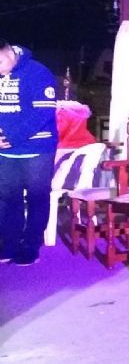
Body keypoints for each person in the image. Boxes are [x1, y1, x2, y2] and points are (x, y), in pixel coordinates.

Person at [0, 39, 58, 265]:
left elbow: (42, 113)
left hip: (37, 149)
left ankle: (31, 245)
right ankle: (10, 243)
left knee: (36, 197)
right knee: (7, 198)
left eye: (1, 62)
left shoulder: (37, 72)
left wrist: (12, 137)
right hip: (5, 152)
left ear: (10, 52)